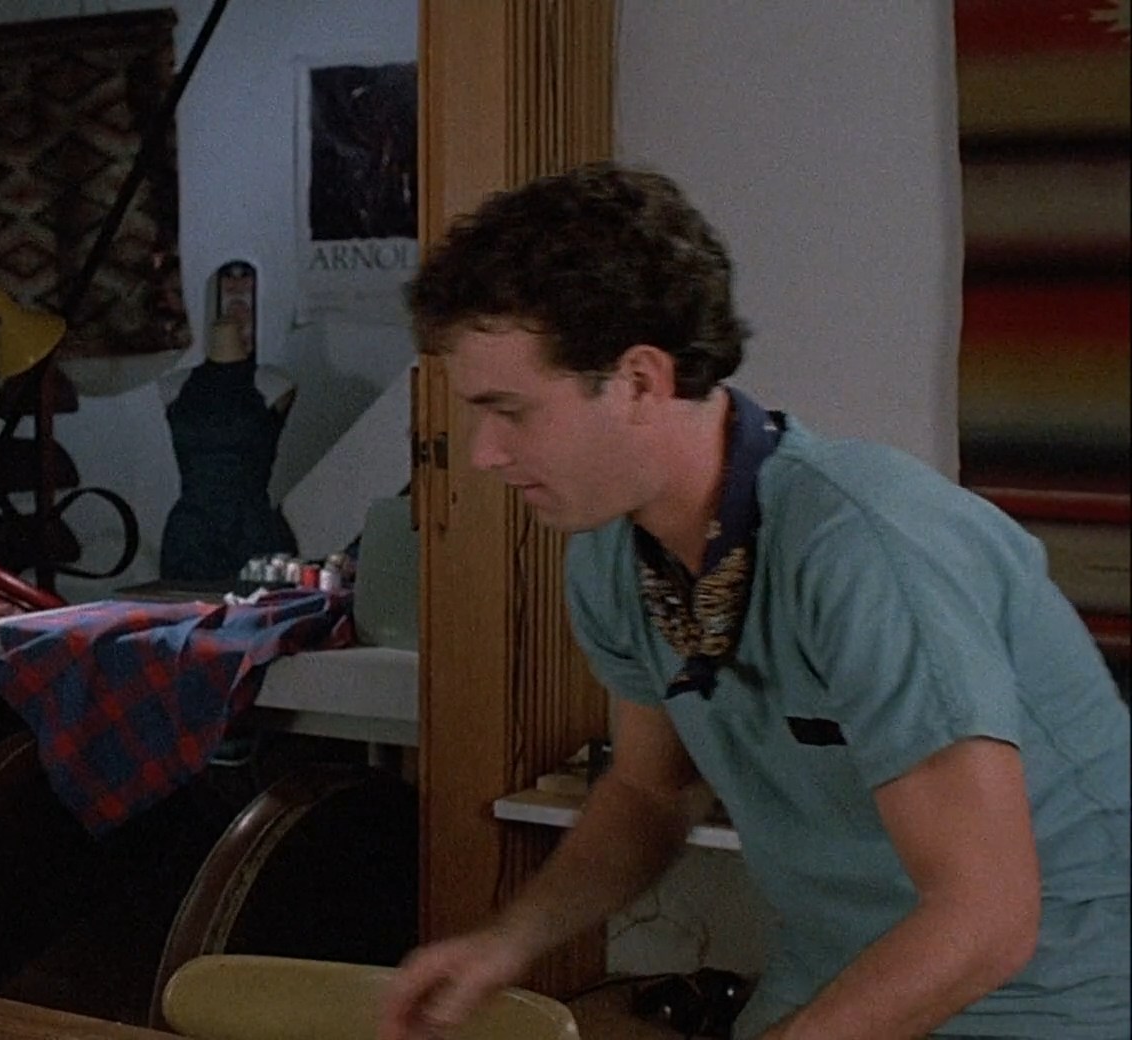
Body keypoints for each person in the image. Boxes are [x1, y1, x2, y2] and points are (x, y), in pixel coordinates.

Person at [381, 161, 1129, 1039]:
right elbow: (651, 795)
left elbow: (987, 920)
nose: (483, 454)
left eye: (511, 411)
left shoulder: (866, 550)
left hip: (1051, 995)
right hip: (835, 967)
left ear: (640, 381)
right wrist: (506, 944)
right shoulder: (614, 557)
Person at [158, 319, 299, 580]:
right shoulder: (173, 384)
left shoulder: (275, 383)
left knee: (258, 603)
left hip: (251, 530)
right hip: (191, 532)